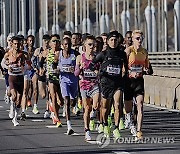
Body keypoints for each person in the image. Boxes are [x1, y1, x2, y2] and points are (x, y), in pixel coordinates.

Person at [90, 31, 128, 140]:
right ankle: (105, 125)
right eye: (111, 40)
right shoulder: (103, 53)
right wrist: (97, 72)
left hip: (118, 83)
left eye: (116, 40)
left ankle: (116, 127)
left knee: (117, 104)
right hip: (106, 83)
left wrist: (124, 72)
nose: (114, 42)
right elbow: (92, 65)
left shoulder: (122, 53)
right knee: (105, 107)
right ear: (107, 41)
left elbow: (125, 65)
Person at [124, 30, 153, 140]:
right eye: (137, 38)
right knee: (128, 108)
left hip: (139, 82)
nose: (140, 40)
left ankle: (139, 131)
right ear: (132, 39)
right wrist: (130, 72)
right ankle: (128, 118)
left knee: (140, 105)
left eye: (141, 38)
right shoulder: (128, 51)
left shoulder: (144, 52)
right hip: (128, 82)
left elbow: (148, 67)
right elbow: (123, 68)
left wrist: (146, 70)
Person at [75, 35, 100, 141]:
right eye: (89, 44)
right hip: (84, 85)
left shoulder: (97, 57)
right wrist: (80, 68)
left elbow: (100, 73)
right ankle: (87, 130)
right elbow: (76, 73)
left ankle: (93, 115)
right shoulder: (80, 57)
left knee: (96, 104)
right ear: (84, 45)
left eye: (93, 44)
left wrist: (95, 71)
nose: (92, 46)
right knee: (87, 108)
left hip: (94, 84)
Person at [1, 36, 25, 126]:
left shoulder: (23, 54)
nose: (17, 45)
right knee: (14, 96)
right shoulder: (8, 54)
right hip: (12, 77)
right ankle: (12, 105)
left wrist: (24, 66)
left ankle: (15, 117)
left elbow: (28, 64)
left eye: (18, 44)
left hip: (20, 77)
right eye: (15, 44)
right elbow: (2, 63)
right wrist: (8, 68)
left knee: (19, 99)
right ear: (12, 44)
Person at [59, 37, 78, 135]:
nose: (67, 46)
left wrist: (75, 69)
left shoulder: (75, 54)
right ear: (62, 45)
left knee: (72, 102)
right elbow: (53, 65)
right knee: (66, 100)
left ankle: (70, 106)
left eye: (69, 44)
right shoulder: (59, 54)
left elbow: (80, 65)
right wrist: (58, 69)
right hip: (64, 81)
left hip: (74, 81)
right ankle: (69, 126)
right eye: (65, 44)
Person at [47, 34, 64, 127]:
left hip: (61, 78)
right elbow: (40, 62)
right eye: (53, 41)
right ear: (50, 43)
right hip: (51, 78)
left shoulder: (62, 52)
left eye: (57, 41)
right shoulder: (47, 52)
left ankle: (54, 111)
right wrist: (41, 68)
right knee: (53, 97)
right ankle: (57, 119)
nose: (55, 43)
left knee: (61, 101)